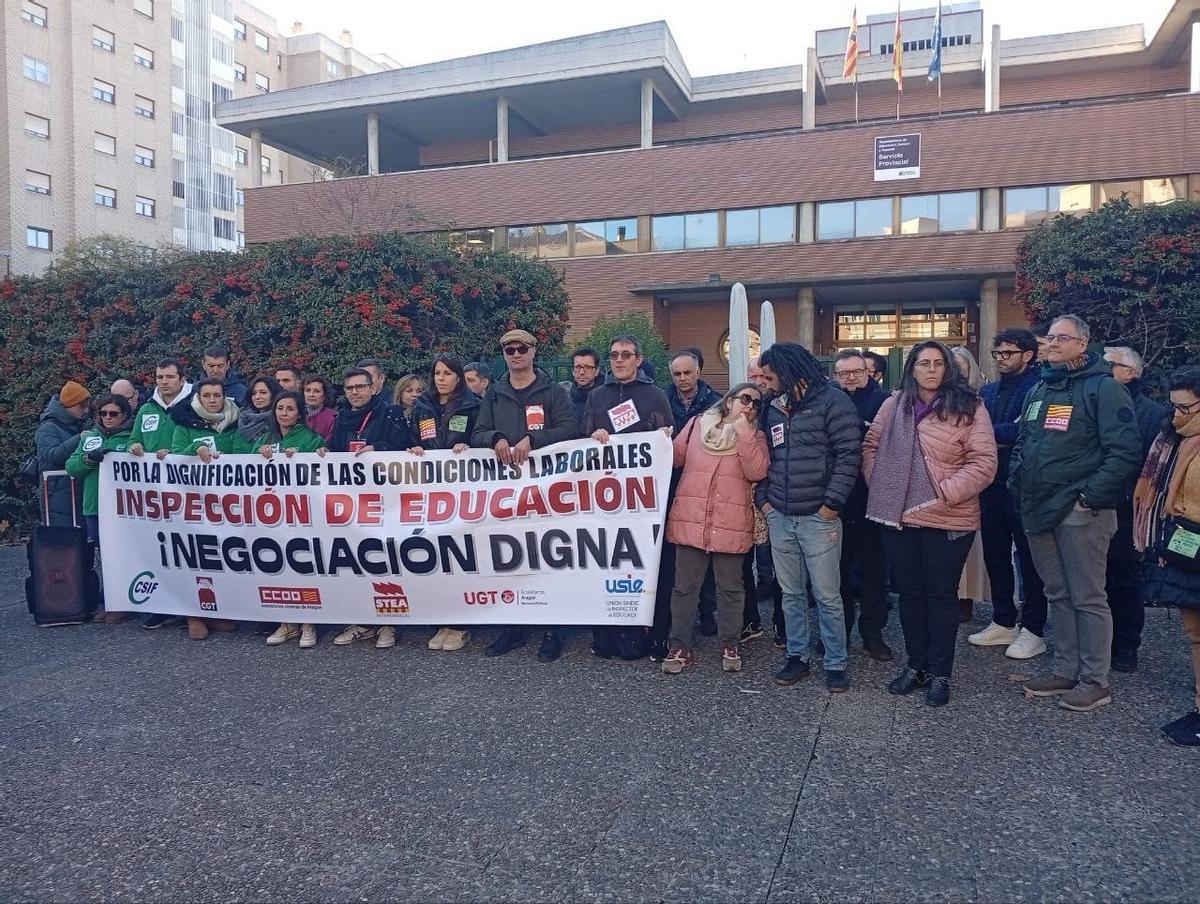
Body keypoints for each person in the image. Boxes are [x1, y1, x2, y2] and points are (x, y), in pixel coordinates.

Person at [1011, 314, 1142, 713]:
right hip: (1037, 509)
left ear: (1083, 344)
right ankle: (1065, 670)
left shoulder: (1103, 388)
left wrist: (1087, 499)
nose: (1052, 344)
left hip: (1080, 512)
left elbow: (1125, 452)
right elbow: (1024, 441)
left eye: (1061, 338)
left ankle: (1094, 681)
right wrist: (1016, 480)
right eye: (1049, 337)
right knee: (1057, 593)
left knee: (1088, 596)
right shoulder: (1039, 389)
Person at [864, 341, 997, 706]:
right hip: (899, 515)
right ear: (912, 369)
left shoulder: (970, 406)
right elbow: (871, 445)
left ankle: (941, 672)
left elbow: (984, 462)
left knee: (941, 597)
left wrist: (946, 492)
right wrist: (882, 482)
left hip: (947, 516)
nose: (932, 369)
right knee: (909, 595)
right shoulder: (894, 405)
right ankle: (915, 665)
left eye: (939, 363)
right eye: (924, 363)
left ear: (948, 369)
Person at [757, 342, 862, 693]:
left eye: (771, 377)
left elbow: (850, 455)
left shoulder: (834, 401)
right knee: (790, 594)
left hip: (819, 518)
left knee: (828, 595)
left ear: (788, 372)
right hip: (780, 515)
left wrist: (830, 505)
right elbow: (763, 457)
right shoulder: (773, 408)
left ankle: (835, 662)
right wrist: (765, 504)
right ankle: (797, 655)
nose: (766, 384)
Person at [471, 329, 579, 661]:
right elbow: (477, 433)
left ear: (533, 351)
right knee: (510, 557)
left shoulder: (552, 391)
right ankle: (514, 627)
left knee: (549, 556)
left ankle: (552, 630)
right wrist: (496, 438)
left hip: (547, 489)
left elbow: (571, 428)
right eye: (508, 349)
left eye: (521, 348)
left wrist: (535, 440)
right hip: (506, 492)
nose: (515, 354)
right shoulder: (494, 393)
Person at [661, 383, 769, 674]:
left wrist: (744, 433)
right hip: (691, 518)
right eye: (745, 399)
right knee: (684, 588)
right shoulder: (697, 424)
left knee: (731, 589)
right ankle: (679, 644)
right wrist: (660, 441)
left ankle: (730, 641)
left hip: (730, 523)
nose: (750, 406)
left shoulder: (755, 435)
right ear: (729, 400)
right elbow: (674, 458)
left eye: (757, 403)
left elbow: (757, 471)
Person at [584, 335, 673, 660]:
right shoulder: (597, 395)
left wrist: (660, 439)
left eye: (625, 355)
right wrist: (593, 437)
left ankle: (647, 633)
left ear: (638, 359)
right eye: (614, 355)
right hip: (604, 500)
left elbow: (668, 443)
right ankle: (605, 634)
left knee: (643, 565)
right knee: (606, 564)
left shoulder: (655, 396)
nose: (619, 360)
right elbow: (581, 442)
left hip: (641, 504)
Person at [970, 329, 1048, 659]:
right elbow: (974, 429)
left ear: (1028, 355)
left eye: (1008, 353)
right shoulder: (987, 391)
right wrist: (990, 437)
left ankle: (1033, 628)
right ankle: (1003, 620)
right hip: (989, 484)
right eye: (998, 353)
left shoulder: (1039, 387)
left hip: (1022, 485)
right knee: (995, 554)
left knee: (1029, 560)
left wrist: (986, 437)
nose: (1001, 359)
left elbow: (1023, 431)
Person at [1134, 366, 1200, 746]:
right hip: (1186, 546)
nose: (1175, 417)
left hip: (1194, 537)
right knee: (1195, 632)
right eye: (1172, 407)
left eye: (1184, 408)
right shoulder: (1179, 439)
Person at [330, 367, 415, 650]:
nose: (355, 392)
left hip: (386, 499)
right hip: (353, 502)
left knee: (387, 558)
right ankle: (363, 622)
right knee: (358, 559)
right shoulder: (341, 418)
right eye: (350, 388)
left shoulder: (389, 413)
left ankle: (391, 622)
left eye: (360, 387)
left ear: (373, 388)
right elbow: (334, 452)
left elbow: (404, 447)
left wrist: (377, 448)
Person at [408, 354, 481, 654]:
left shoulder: (473, 405)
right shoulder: (422, 406)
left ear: (458, 378)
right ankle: (443, 619)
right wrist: (410, 447)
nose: (441, 378)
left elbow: (481, 435)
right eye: (437, 373)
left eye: (448, 373)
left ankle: (462, 624)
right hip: (430, 489)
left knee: (463, 555)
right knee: (437, 556)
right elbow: (412, 437)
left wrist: (471, 446)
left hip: (463, 490)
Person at [1103, 346, 1170, 672]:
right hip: (1095, 506)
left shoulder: (1152, 414)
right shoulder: (1098, 403)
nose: (1104, 371)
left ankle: (1127, 645)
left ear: (1131, 372)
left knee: (1125, 580)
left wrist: (1130, 498)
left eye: (1110, 366)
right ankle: (1100, 643)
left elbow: (1153, 466)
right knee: (1096, 580)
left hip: (1129, 510)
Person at [831, 350, 891, 661]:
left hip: (872, 499)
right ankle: (837, 632)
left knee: (873, 572)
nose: (851, 377)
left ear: (868, 373)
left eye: (857, 371)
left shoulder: (885, 403)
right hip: (837, 502)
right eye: (844, 373)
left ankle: (873, 633)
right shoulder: (830, 401)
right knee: (836, 573)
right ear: (836, 376)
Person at [168, 379, 240, 639]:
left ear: (224, 397)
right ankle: (193, 615)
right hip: (194, 501)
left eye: (217, 395)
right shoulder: (184, 422)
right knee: (196, 556)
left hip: (227, 504)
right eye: (207, 395)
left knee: (221, 557)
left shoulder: (235, 421)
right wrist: (193, 448)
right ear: (198, 397)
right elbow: (175, 457)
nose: (212, 400)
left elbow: (243, 452)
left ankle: (217, 611)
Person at [127, 358, 192, 630]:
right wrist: (133, 447)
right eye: (159, 377)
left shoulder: (195, 405)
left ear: (181, 379)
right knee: (159, 548)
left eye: (169, 377)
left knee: (187, 548)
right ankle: (160, 605)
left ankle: (192, 606)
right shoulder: (146, 409)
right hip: (153, 493)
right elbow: (133, 438)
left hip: (188, 489)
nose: (164, 382)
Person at [260, 391, 327, 650]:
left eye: (289, 409)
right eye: (280, 408)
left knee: (304, 564)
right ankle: (287, 622)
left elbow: (323, 466)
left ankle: (309, 623)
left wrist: (319, 453)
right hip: (272, 515)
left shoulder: (311, 438)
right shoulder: (266, 438)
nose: (284, 413)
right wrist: (260, 453)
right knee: (279, 566)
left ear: (299, 413)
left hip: (303, 514)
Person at [66, 394, 134, 624]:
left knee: (124, 556)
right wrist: (88, 458)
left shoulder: (132, 437)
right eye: (103, 413)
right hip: (95, 507)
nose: (107, 418)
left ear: (124, 415)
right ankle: (110, 602)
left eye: (113, 413)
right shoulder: (91, 437)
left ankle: (125, 603)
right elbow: (72, 468)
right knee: (105, 557)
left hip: (124, 508)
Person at [951, 346, 990, 624]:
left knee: (972, 551)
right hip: (941, 486)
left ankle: (967, 600)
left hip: (971, 486)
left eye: (961, 366)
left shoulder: (982, 397)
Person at [35, 381, 90, 527]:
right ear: (70, 405)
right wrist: (79, 439)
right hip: (56, 493)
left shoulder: (76, 424)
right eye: (81, 406)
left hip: (69, 491)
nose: (85, 410)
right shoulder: (47, 428)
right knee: (61, 540)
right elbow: (52, 456)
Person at [666, 351, 721, 435]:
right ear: (671, 375)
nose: (682, 378)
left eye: (687, 373)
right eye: (677, 374)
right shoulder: (661, 402)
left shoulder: (715, 403)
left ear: (698, 372)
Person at [231, 376, 281, 453]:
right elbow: (237, 451)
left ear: (274, 394)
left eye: (263, 392)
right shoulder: (244, 420)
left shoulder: (282, 419)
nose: (257, 397)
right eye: (254, 393)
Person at [562, 346, 604, 430]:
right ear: (572, 371)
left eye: (587, 367)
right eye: (577, 367)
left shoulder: (608, 396)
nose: (581, 372)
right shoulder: (564, 398)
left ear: (596, 371)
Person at [302, 373, 336, 443]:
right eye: (308, 390)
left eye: (317, 391)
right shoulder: (296, 414)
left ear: (324, 395)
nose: (311, 395)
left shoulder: (334, 417)